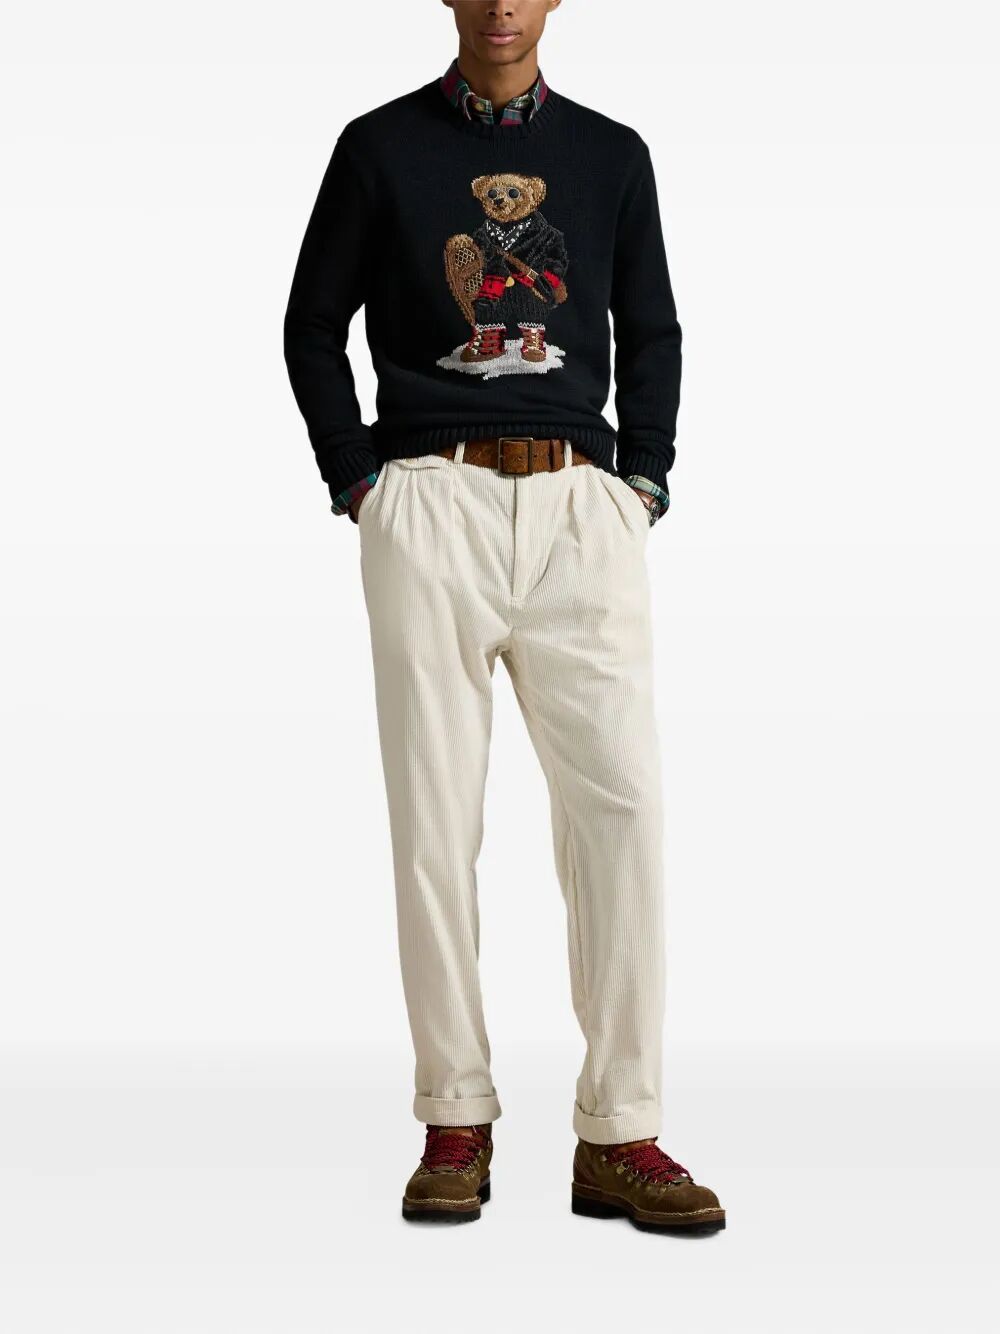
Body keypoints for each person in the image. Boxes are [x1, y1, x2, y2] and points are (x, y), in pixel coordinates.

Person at [283, 0, 725, 1233]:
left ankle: (619, 1128)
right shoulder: (378, 147)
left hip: (581, 506)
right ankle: (454, 1113)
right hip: (431, 497)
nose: (499, 5)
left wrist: (642, 480)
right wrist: (359, 480)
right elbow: (311, 325)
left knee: (621, 811)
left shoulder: (612, 154)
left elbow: (652, 325)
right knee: (435, 817)